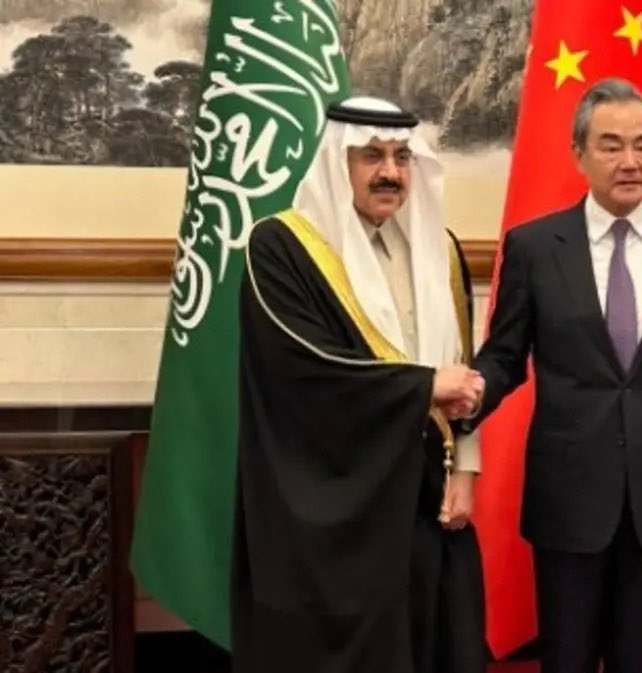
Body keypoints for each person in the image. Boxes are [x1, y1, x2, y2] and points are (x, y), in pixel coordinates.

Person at [462, 78, 642, 673]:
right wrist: (467, 395)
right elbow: (505, 356)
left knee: (637, 657)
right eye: (611, 145)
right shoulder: (535, 247)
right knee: (566, 657)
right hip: (568, 489)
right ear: (579, 154)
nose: (630, 161)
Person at [232, 96, 487, 673]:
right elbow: (306, 371)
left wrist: (466, 468)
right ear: (336, 162)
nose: (390, 172)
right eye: (371, 156)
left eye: (402, 157)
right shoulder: (282, 248)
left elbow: (462, 367)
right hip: (330, 505)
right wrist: (423, 388)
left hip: (425, 497)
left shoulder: (438, 250)